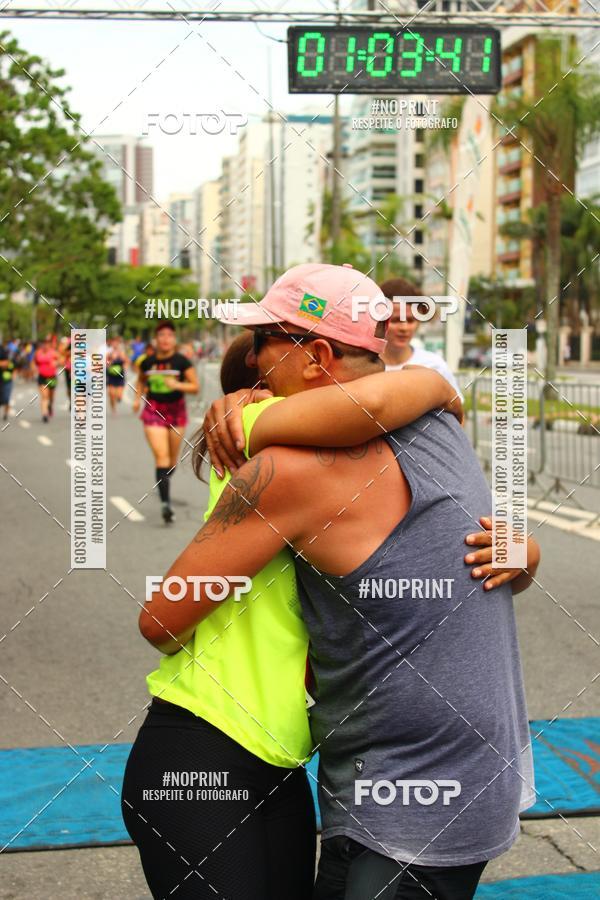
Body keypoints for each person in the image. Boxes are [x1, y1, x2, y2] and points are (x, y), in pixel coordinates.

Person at [134, 264, 540, 900]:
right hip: (234, 750)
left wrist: (249, 416)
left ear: (316, 356)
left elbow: (160, 619)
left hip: (347, 776)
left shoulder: (294, 457)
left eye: (263, 344)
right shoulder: (439, 423)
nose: (251, 360)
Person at [133, 321, 199, 524]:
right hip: (153, 410)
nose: (165, 339)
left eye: (169, 335)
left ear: (174, 339)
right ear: (156, 339)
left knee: (171, 461)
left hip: (176, 411)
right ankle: (165, 504)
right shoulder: (147, 362)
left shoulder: (181, 362)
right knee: (161, 457)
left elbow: (195, 386)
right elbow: (141, 380)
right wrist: (137, 399)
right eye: (161, 335)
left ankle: (164, 481)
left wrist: (176, 384)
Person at [379, 277, 463, 400]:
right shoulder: (363, 366)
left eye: (411, 320)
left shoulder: (435, 366)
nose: (404, 327)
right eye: (396, 320)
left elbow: (457, 413)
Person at [33, 335, 59, 423]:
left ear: (50, 344)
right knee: (44, 396)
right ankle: (44, 414)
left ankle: (50, 406)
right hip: (42, 377)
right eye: (44, 343)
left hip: (52, 377)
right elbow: (33, 362)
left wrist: (56, 362)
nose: (45, 345)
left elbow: (62, 360)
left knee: (51, 397)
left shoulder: (54, 352)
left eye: (47, 343)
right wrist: (34, 369)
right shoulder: (38, 353)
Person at [106, 337, 128, 414]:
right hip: (111, 375)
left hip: (120, 375)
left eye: (116, 343)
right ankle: (113, 409)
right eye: (113, 343)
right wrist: (110, 362)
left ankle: (118, 398)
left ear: (118, 344)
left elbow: (126, 362)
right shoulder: (109, 353)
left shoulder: (121, 353)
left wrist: (125, 366)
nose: (115, 344)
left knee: (119, 395)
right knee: (111, 394)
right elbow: (105, 363)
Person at [0, 341, 15, 421]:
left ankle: (5, 413)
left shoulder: (2, 350)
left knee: (6, 398)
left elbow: (6, 363)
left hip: (6, 380)